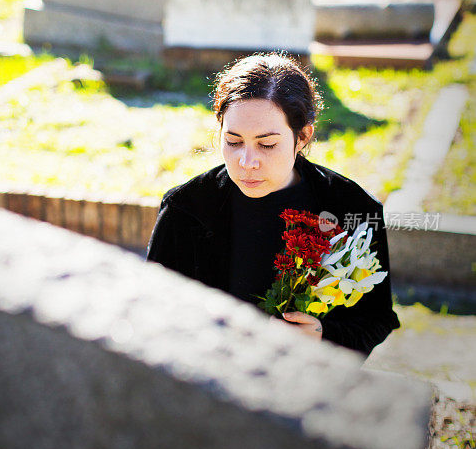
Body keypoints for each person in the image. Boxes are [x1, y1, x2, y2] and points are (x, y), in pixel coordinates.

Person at [147, 53, 400, 356]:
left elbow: (378, 318)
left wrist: (322, 336)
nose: (247, 162)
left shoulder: (351, 207)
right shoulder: (185, 209)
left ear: (303, 135)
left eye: (267, 144)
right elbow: (152, 312)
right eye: (233, 141)